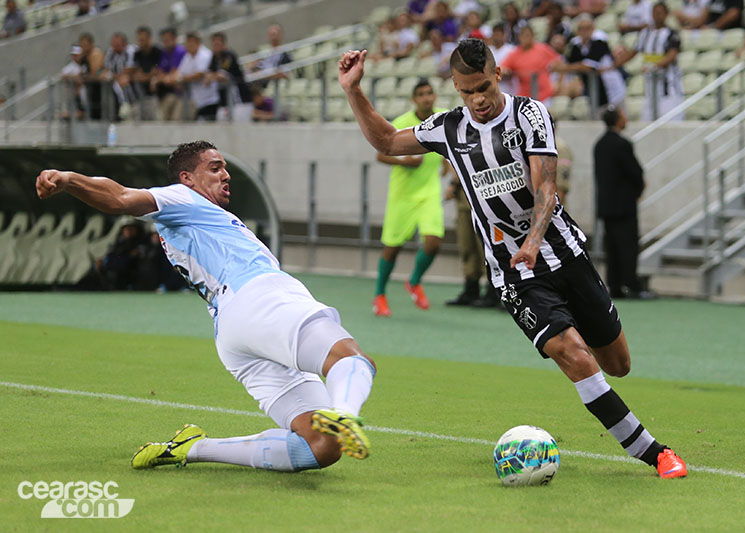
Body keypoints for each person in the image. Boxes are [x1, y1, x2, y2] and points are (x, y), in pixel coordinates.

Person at [338, 40, 686, 479]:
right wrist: (353, 90)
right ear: (456, 87)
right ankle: (655, 453)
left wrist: (534, 240)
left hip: (564, 253)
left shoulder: (529, 115)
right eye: (467, 91)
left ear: (498, 75)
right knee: (573, 354)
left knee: (618, 365)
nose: (477, 100)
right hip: (514, 272)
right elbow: (388, 139)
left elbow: (545, 187)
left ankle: (590, 363)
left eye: (483, 87)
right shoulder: (448, 127)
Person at [35, 140, 376, 472]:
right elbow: (121, 197)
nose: (225, 174)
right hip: (260, 299)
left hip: (232, 330)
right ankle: (345, 413)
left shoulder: (202, 219)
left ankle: (193, 448)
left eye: (225, 168)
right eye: (215, 168)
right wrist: (69, 179)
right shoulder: (184, 197)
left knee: (321, 446)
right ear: (187, 178)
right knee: (349, 358)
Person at [372, 79, 447, 317]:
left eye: (429, 93)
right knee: (393, 247)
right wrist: (406, 161)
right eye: (421, 94)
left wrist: (447, 162)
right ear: (413, 100)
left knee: (434, 242)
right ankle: (379, 295)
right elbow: (380, 154)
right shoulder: (402, 123)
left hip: (430, 191)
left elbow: (451, 143)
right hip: (402, 194)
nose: (426, 98)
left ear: (435, 96)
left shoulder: (442, 119)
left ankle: (414, 281)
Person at [593, 106, 653, 300]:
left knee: (611, 247)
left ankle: (614, 285)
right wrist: (638, 190)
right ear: (618, 120)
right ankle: (631, 284)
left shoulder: (599, 144)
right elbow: (635, 172)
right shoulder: (622, 144)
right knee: (628, 246)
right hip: (624, 206)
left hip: (607, 205)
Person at [615, 3, 684, 121]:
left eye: (660, 13)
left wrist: (655, 66)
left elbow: (672, 55)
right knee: (647, 118)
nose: (657, 16)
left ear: (666, 14)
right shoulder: (645, 33)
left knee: (670, 118)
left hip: (668, 85)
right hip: (650, 84)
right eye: (654, 13)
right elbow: (633, 51)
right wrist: (614, 64)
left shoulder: (672, 33)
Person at [553, 15, 626, 107]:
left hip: (609, 83)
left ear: (592, 29)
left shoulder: (600, 40)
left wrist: (566, 68)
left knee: (615, 109)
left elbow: (588, 66)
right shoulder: (576, 43)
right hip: (592, 85)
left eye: (587, 28)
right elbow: (570, 62)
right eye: (581, 29)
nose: (584, 31)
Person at [500, 25, 561, 103]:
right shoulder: (515, 54)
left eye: (528, 35)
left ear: (532, 36)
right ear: (519, 37)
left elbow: (560, 62)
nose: (526, 38)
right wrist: (505, 71)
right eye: (523, 35)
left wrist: (558, 83)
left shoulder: (542, 48)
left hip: (546, 95)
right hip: (525, 98)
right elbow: (502, 68)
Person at [207, 32, 253, 122]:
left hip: (240, 102)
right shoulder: (214, 58)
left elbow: (222, 76)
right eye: (214, 44)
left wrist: (212, 77)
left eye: (218, 44)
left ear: (224, 44)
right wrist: (212, 76)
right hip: (224, 102)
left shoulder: (229, 55)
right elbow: (208, 75)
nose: (215, 46)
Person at [177, 33, 219, 121]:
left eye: (192, 43)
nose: (189, 45)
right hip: (197, 101)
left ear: (198, 43)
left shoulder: (205, 54)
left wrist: (183, 79)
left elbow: (200, 74)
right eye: (188, 43)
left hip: (210, 100)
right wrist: (181, 78)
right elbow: (180, 73)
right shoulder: (188, 56)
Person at [152, 27, 186, 121]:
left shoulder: (180, 51)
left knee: (175, 121)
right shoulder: (164, 53)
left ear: (175, 38)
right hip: (166, 94)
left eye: (168, 39)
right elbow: (159, 72)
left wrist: (161, 79)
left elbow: (173, 75)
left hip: (180, 94)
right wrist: (163, 78)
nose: (165, 42)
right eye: (164, 39)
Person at [132, 26, 162, 121]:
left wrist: (147, 76)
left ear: (149, 39)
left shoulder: (157, 52)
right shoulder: (137, 54)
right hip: (141, 94)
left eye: (143, 40)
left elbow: (157, 72)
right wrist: (148, 76)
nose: (141, 42)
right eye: (139, 40)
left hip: (156, 95)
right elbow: (137, 74)